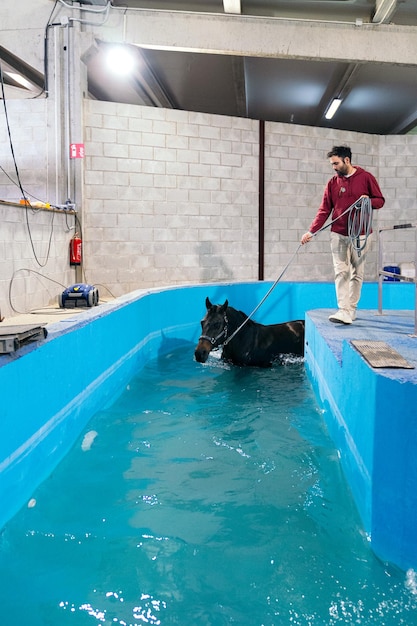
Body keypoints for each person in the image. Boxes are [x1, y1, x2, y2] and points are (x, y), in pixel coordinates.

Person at [301, 145, 385, 325]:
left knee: (357, 274)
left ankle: (351, 309)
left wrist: (367, 200)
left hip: (361, 234)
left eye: (336, 163)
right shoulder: (333, 183)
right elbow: (324, 209)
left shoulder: (366, 177)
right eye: (332, 164)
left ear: (347, 160)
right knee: (341, 272)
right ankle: (343, 310)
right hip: (338, 234)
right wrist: (311, 231)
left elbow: (380, 201)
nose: (334, 167)